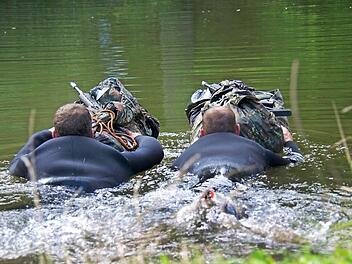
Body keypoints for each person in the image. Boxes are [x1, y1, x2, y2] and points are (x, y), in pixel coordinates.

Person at [8, 103, 164, 192]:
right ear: (91, 133)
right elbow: (154, 150)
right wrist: (136, 136)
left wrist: (47, 133)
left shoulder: (29, 162)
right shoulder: (115, 158)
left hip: (48, 195)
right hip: (100, 198)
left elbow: (17, 160)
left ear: (55, 134)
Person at [173, 106, 303, 180]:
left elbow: (173, 171)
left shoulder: (187, 156)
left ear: (201, 133)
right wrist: (288, 140)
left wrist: (193, 147)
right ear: (237, 129)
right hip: (237, 180)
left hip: (202, 180)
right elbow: (296, 160)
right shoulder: (255, 148)